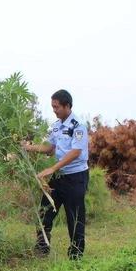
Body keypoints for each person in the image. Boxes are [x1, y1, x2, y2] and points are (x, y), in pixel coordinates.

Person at [23, 89, 89, 260]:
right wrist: (29, 147)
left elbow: (75, 152)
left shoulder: (78, 125)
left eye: (57, 107)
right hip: (59, 177)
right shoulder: (56, 126)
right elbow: (49, 147)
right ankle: (42, 248)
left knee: (74, 217)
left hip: (76, 177)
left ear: (67, 106)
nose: (54, 110)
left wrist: (52, 168)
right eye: (52, 107)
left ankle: (76, 255)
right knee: (45, 211)